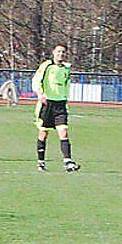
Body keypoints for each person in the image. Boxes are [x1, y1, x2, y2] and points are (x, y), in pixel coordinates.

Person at [32, 43, 80, 172]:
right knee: (43, 133)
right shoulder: (47, 66)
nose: (61, 54)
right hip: (47, 104)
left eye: (63, 52)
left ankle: (68, 162)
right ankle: (41, 162)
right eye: (58, 51)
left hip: (60, 105)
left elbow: (65, 85)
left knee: (63, 132)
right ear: (53, 52)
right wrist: (40, 94)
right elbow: (36, 80)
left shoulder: (66, 69)